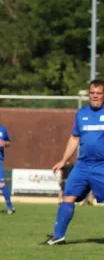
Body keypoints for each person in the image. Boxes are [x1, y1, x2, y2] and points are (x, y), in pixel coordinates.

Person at [43, 80, 104, 245]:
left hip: (102, 165)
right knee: (68, 196)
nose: (95, 96)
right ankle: (59, 236)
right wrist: (64, 160)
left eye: (99, 93)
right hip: (83, 165)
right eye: (92, 93)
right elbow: (74, 138)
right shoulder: (81, 114)